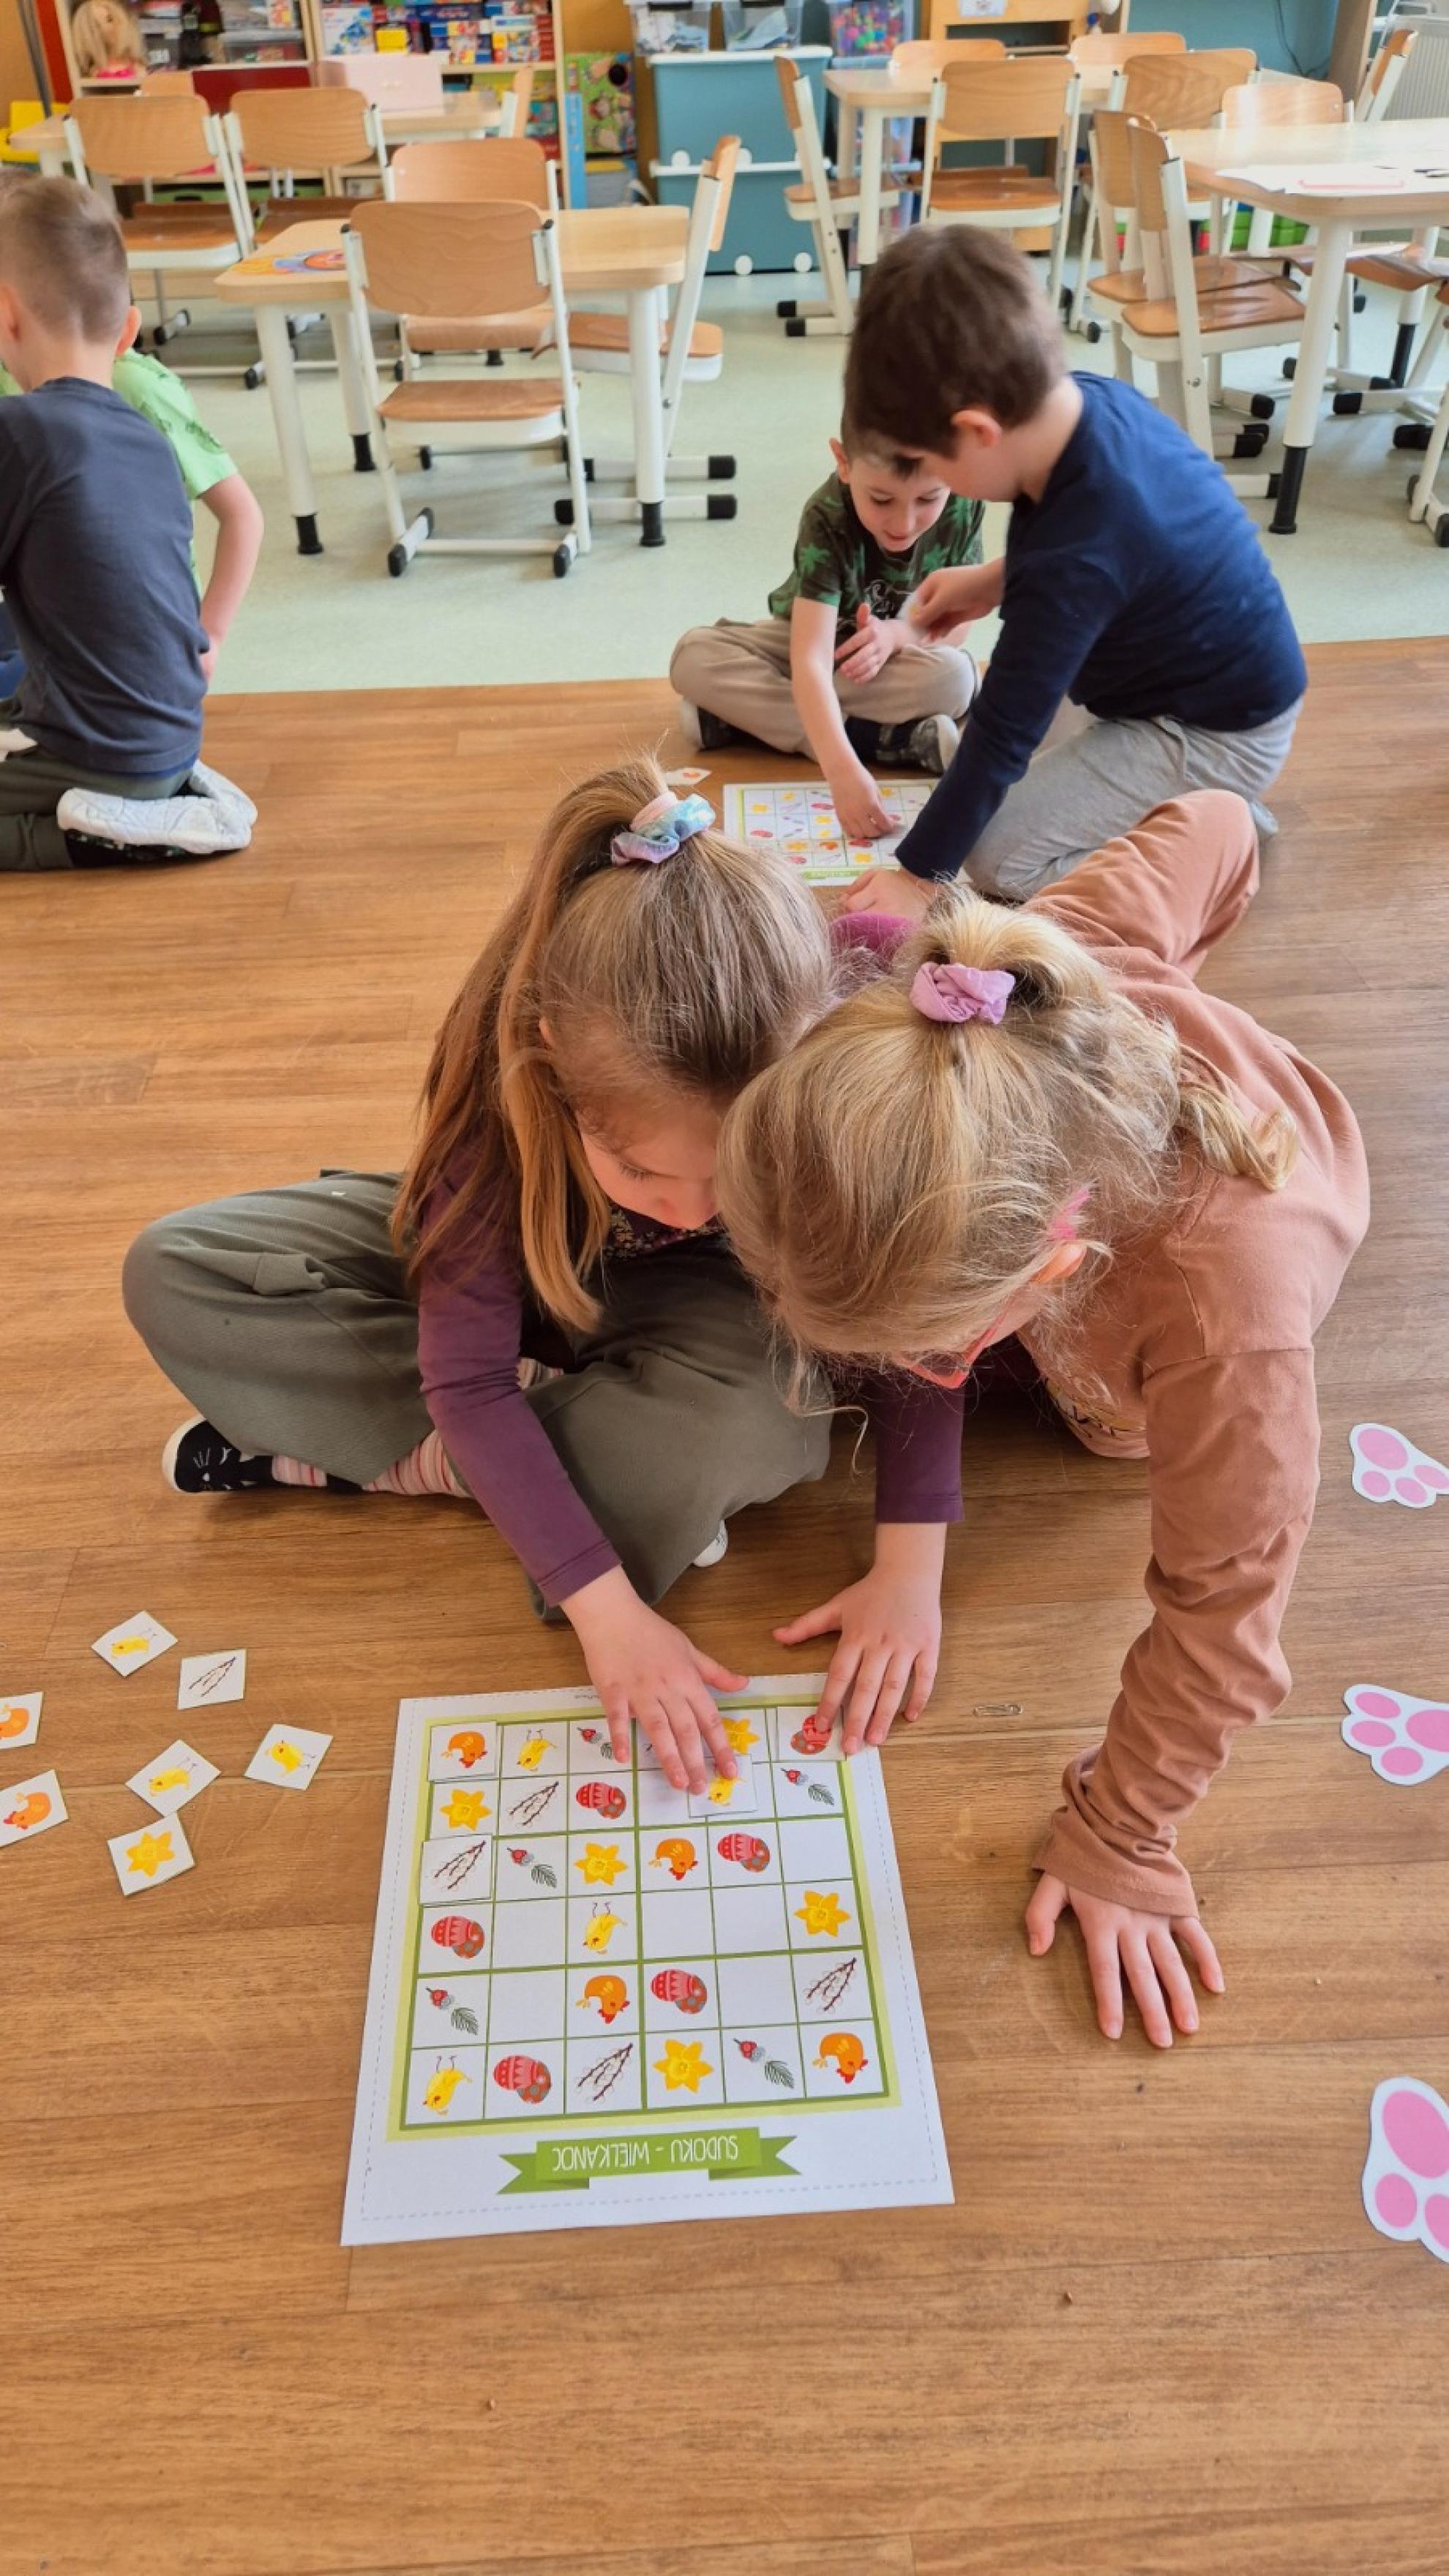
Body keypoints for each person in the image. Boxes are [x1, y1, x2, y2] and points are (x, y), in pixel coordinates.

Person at [716, 793, 1368, 2048]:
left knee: (1101, 1432)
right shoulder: (1028, 972)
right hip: (1092, 1216)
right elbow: (1218, 818)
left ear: (1049, 1280)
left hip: (1144, 1366)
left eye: (924, 1351)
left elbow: (1227, 1620)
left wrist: (1123, 1834)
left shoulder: (1224, 1334)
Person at [123, 760, 842, 1796]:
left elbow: (910, 1320)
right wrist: (607, 1610)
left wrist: (917, 1555)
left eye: (732, 1174)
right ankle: (530, 1448)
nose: (691, 1208)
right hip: (507, 1258)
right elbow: (464, 1379)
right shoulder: (504, 1105)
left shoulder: (825, 1076)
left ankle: (364, 1456)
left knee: (779, 1414)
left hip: (692, 1308)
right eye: (642, 1169)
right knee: (175, 1269)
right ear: (554, 1067)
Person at [837, 227, 1307, 915]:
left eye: (931, 467)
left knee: (996, 858)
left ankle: (1211, 835)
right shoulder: (1085, 402)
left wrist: (916, 877)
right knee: (994, 775)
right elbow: (1115, 560)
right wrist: (991, 581)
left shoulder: (1076, 554)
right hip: (1192, 683)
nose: (937, 487)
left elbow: (1005, 727)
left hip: (1213, 733)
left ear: (978, 432)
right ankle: (1203, 807)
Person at [0, 177, 252, 871]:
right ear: (127, 327)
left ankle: (77, 834)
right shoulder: (144, 435)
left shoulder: (20, 430)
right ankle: (141, 801)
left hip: (92, 756)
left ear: (6, 314)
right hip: (168, 742)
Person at [670, 410, 984, 845]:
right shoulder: (827, 513)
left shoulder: (966, 502)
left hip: (892, 659)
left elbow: (956, 628)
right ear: (843, 462)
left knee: (957, 678)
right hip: (810, 640)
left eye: (929, 499)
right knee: (693, 656)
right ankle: (876, 739)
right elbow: (810, 659)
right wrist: (839, 767)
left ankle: (751, 721)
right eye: (881, 499)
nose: (904, 523)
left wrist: (897, 635)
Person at [0, 345, 264, 693]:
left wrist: (210, 636)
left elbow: (241, 515)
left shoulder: (137, 385)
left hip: (129, 632)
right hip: (45, 609)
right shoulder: (9, 371)